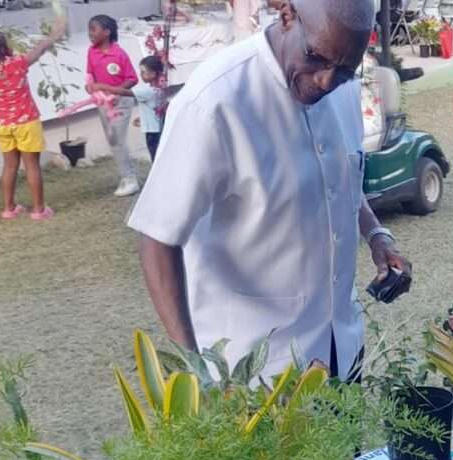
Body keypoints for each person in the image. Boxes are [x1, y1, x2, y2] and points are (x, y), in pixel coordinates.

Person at [127, 0, 412, 380]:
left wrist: (377, 235)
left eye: (345, 70)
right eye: (316, 57)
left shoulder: (343, 90)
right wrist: (196, 375)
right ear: (287, 16)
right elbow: (157, 237)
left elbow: (342, 174)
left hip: (341, 348)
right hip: (256, 372)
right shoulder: (214, 101)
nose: (326, 81)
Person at [0, 16, 67, 221]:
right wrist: (54, 35)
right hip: (26, 122)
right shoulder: (18, 63)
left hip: (3, 124)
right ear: (4, 47)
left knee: (9, 165)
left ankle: (9, 208)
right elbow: (40, 49)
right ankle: (39, 210)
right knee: (31, 165)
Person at [86, 14, 140, 197]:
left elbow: (132, 78)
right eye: (89, 29)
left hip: (121, 102)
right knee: (111, 139)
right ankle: (126, 175)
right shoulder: (91, 51)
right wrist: (90, 86)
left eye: (93, 29)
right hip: (103, 103)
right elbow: (90, 75)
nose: (90, 33)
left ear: (107, 32)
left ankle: (130, 179)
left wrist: (116, 92)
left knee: (117, 139)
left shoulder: (119, 54)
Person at [115, 55, 166, 162]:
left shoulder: (147, 91)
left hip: (152, 132)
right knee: (160, 156)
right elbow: (154, 108)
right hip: (159, 129)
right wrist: (142, 118)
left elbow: (124, 92)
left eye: (143, 72)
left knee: (155, 158)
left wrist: (103, 87)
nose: (140, 74)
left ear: (153, 74)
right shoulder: (160, 89)